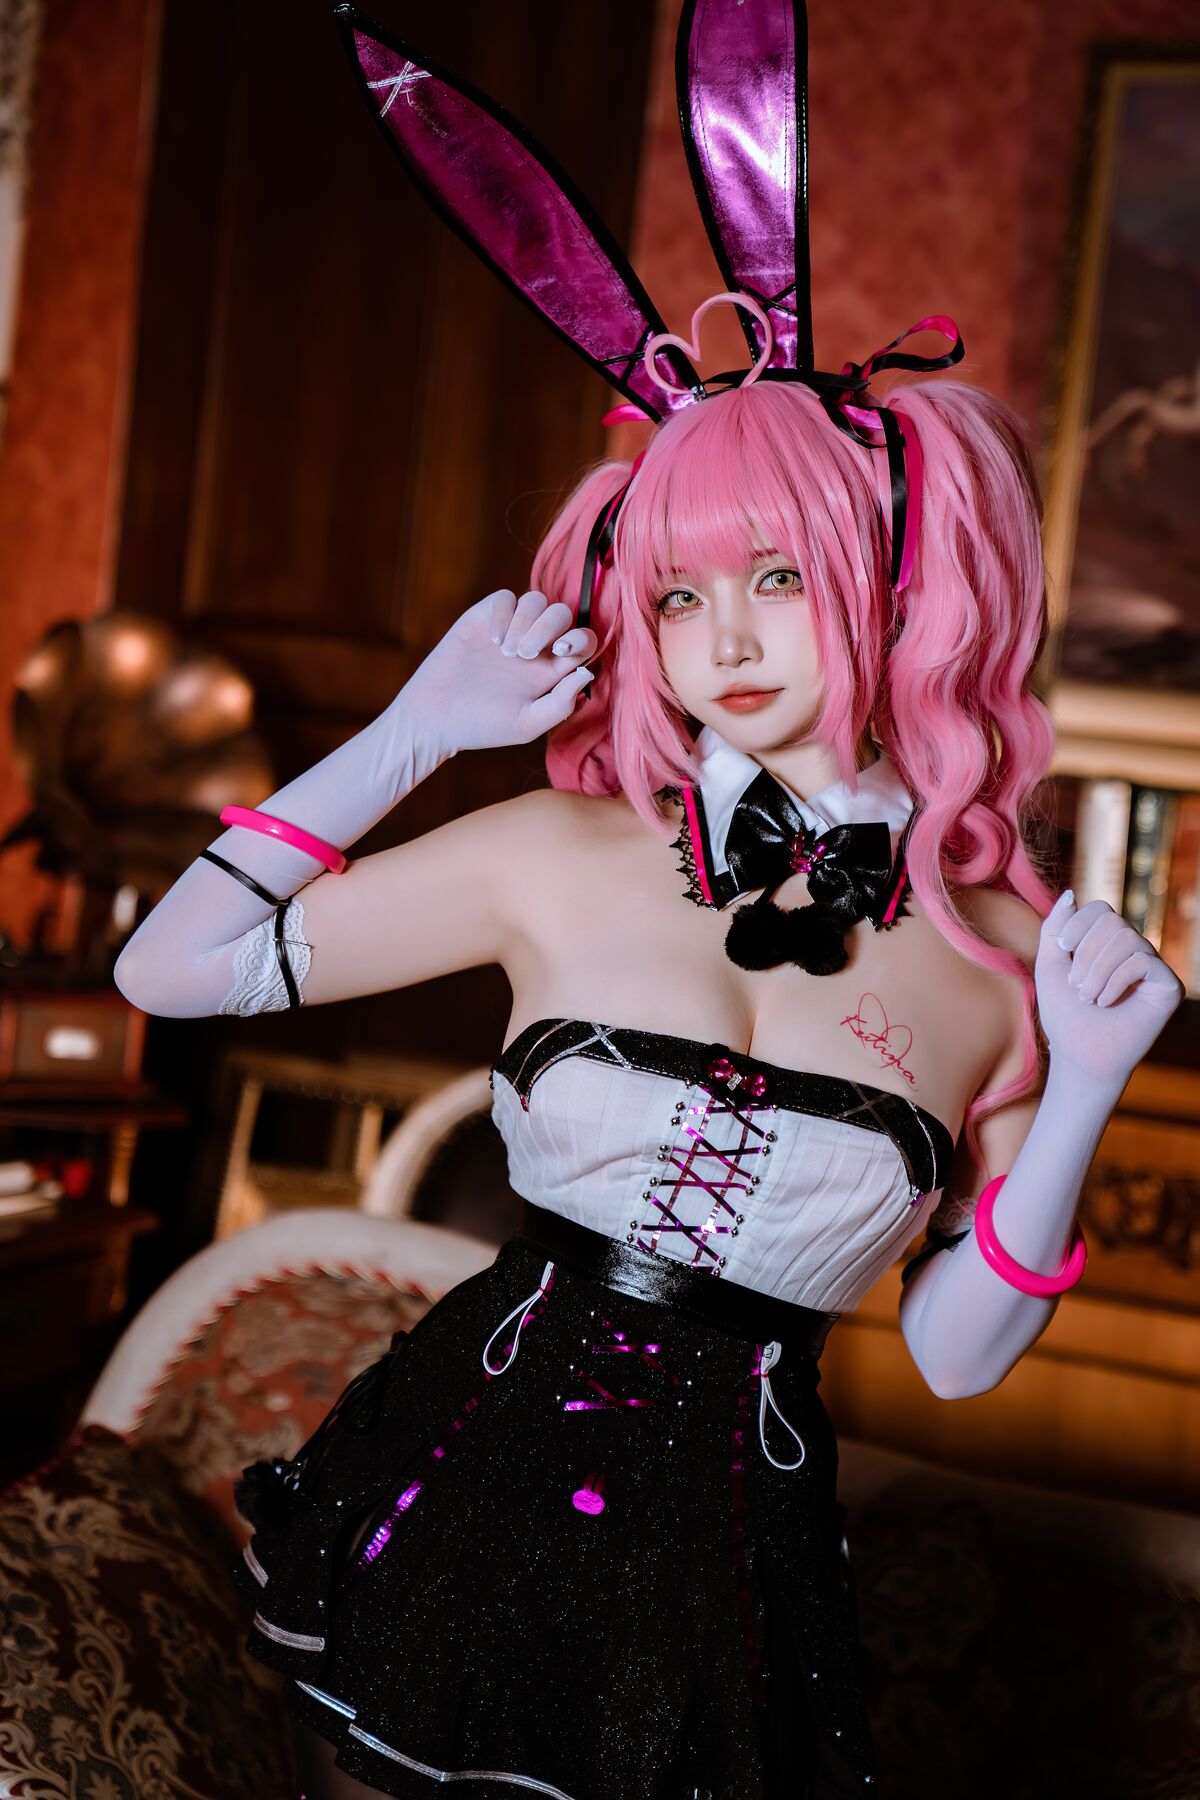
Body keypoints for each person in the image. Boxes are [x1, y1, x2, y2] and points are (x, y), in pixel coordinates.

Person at [112, 6, 1185, 1798]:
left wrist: (1084, 1086)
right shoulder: (559, 848)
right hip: (440, 1508)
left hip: (726, 1592)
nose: (723, 643)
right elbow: (175, 968)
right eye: (679, 596)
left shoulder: (1001, 965)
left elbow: (956, 1356)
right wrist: (410, 733)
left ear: (897, 584)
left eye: (778, 577)